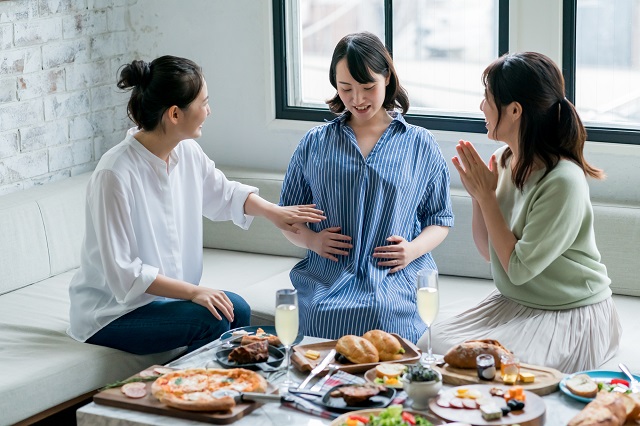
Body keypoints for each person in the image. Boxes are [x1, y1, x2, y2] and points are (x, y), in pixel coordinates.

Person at [67, 55, 325, 355]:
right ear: (175, 114)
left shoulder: (186, 152)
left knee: (237, 309)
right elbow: (126, 275)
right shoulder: (115, 173)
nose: (209, 111)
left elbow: (223, 193)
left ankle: (222, 390)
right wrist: (196, 292)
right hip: (112, 313)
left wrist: (274, 213)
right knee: (212, 318)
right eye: (203, 103)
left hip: (166, 303)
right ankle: (192, 392)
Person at [422, 52, 622, 373]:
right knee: (433, 346)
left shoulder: (563, 181)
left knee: (502, 373)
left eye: (487, 99)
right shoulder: (504, 159)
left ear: (514, 110)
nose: (481, 107)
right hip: (516, 303)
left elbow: (517, 269)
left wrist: (487, 196)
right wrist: (478, 195)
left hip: (570, 312)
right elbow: (489, 252)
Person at [279, 32, 454, 343]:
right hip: (327, 275)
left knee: (381, 313)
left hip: (393, 277)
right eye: (346, 88)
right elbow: (286, 216)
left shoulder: (419, 143)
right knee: (318, 313)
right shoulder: (314, 143)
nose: (357, 99)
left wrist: (411, 250)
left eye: (368, 87)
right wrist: (312, 241)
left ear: (387, 77)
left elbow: (440, 220)